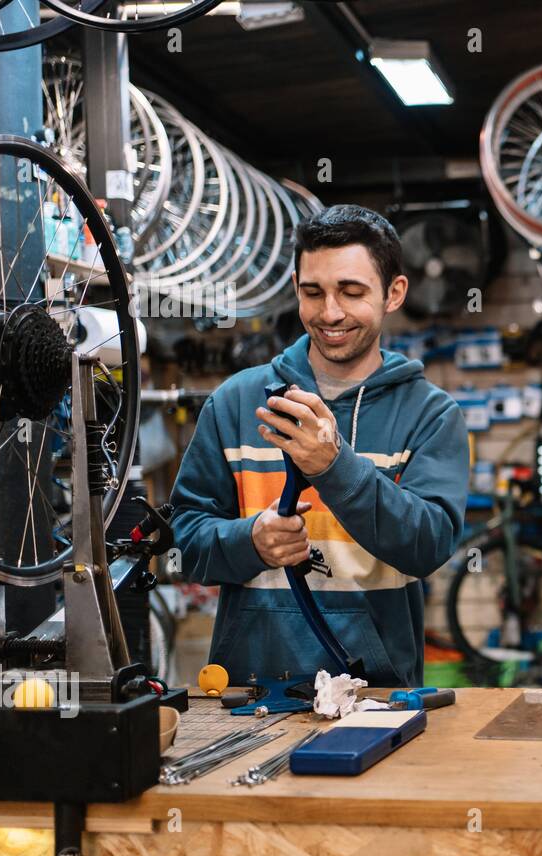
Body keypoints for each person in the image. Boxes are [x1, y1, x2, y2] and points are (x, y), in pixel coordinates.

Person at [170, 204, 469, 687]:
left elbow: (427, 546)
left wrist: (334, 467)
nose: (330, 313)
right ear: (296, 289)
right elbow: (185, 542)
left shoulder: (430, 415)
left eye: (351, 292)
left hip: (376, 694)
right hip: (249, 691)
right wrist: (249, 541)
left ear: (394, 293)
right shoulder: (234, 403)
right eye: (314, 293)